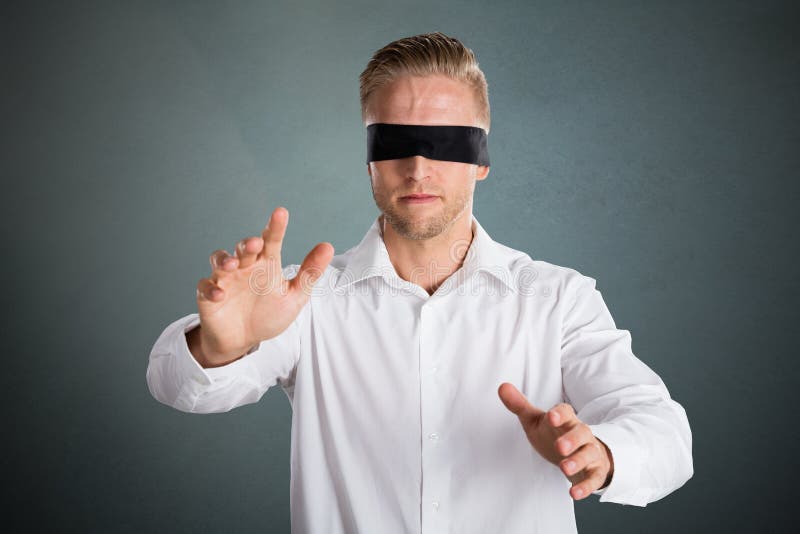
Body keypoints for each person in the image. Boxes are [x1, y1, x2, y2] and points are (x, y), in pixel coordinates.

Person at [146, 32, 693, 534]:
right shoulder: (301, 301)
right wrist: (222, 346)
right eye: (394, 142)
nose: (417, 165)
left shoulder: (557, 300)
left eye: (448, 141)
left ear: (481, 158)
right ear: (369, 159)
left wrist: (600, 452)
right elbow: (176, 387)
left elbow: (664, 431)